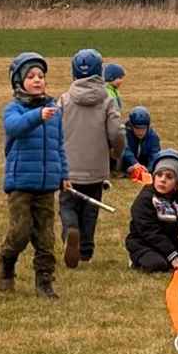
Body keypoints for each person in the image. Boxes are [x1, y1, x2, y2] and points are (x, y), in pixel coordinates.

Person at [0, 52, 69, 299]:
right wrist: (37, 116)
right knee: (20, 232)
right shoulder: (13, 109)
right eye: (31, 76)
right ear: (19, 82)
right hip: (21, 184)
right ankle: (7, 262)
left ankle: (45, 281)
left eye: (41, 76)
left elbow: (59, 146)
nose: (37, 80)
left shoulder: (53, 111)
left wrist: (64, 174)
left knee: (46, 237)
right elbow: (14, 127)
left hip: (46, 185)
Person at [58, 49, 125, 268]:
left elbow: (54, 131)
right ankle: (85, 251)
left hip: (68, 168)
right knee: (90, 209)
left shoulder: (64, 100)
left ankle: (70, 230)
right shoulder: (108, 100)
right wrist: (116, 154)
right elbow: (116, 133)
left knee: (67, 205)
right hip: (96, 168)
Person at [126, 149, 178, 273]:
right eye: (159, 175)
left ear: (177, 182)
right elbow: (150, 232)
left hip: (170, 243)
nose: (163, 179)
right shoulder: (145, 199)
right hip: (143, 243)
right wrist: (173, 257)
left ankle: (171, 258)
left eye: (169, 177)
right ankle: (135, 260)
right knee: (158, 265)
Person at [121, 106, 161, 174]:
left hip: (144, 165)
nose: (140, 132)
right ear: (131, 126)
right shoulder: (124, 133)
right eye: (137, 128)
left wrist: (148, 170)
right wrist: (134, 163)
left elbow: (154, 155)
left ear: (148, 126)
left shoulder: (153, 136)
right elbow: (125, 150)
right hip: (127, 164)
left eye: (143, 128)